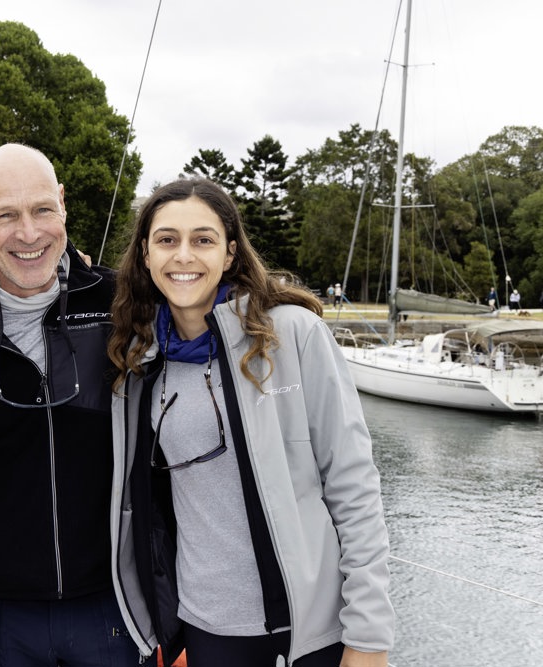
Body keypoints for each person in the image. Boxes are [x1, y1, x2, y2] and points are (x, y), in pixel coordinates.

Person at [107, 178, 393, 667]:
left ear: (231, 253)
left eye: (203, 239)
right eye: (167, 240)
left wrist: (368, 636)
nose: (184, 256)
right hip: (206, 630)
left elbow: (354, 486)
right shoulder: (140, 362)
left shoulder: (293, 334)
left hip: (309, 631)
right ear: (146, 255)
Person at [0, 143, 150, 666]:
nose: (28, 233)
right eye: (5, 215)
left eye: (42, 209)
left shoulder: (122, 304)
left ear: (63, 205)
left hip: (109, 600)